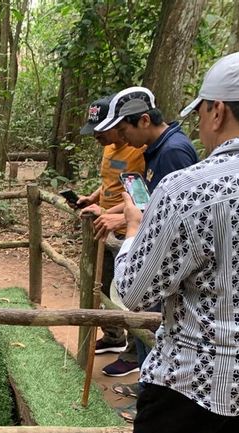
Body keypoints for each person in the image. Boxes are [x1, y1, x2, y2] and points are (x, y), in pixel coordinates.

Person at [79, 48, 239, 433]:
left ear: (217, 111)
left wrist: (133, 231)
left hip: (191, 373)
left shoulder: (194, 185)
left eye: (202, 110)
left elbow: (132, 292)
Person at [93, 86, 198, 382]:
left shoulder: (173, 152)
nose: (122, 138)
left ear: (143, 121)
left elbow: (172, 215)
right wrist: (115, 215)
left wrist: (128, 224)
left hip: (161, 257)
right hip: (151, 249)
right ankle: (144, 383)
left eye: (124, 129)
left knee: (149, 322)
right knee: (142, 321)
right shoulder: (156, 150)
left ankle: (148, 387)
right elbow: (151, 202)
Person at [76, 96, 146, 366]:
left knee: (127, 289)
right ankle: (114, 335)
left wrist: (108, 213)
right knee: (103, 283)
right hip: (105, 224)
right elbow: (110, 181)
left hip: (125, 226)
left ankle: (132, 354)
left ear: (116, 124)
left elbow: (139, 196)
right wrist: (93, 199)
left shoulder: (137, 150)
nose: (96, 135)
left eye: (100, 129)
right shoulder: (108, 149)